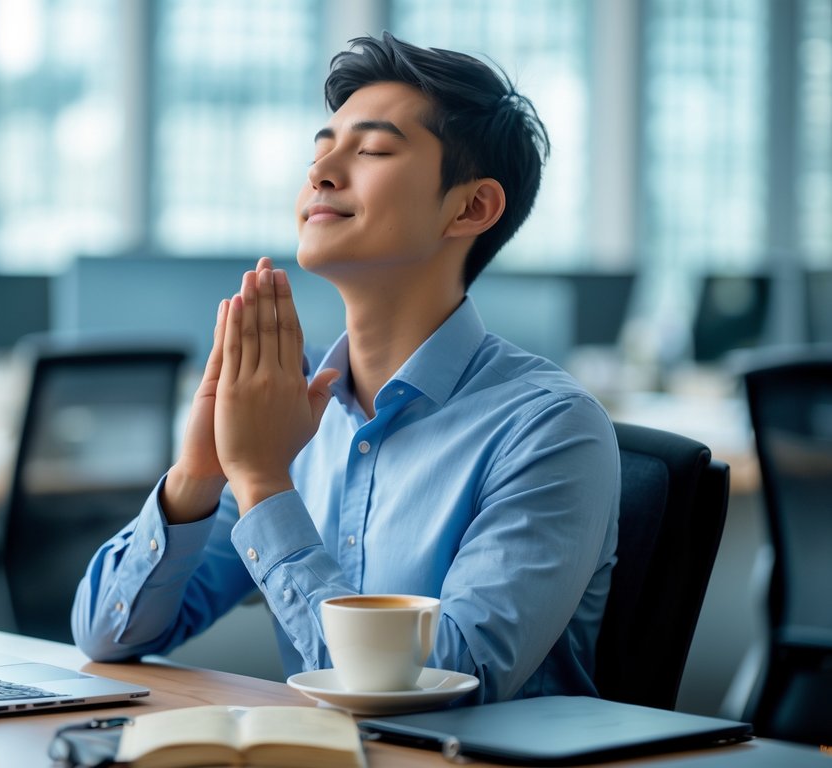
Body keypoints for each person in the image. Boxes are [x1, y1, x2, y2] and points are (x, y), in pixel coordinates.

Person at [71, 32, 619, 703]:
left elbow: (450, 682)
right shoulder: (290, 414)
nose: (321, 174)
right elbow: (108, 636)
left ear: (471, 207)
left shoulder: (551, 428)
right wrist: (197, 475)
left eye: (372, 149)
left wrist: (263, 482)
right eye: (320, 148)